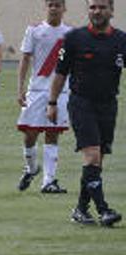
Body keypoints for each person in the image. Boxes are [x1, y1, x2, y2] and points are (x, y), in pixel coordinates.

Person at [48, 0, 124, 226]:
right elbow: (60, 73)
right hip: (82, 103)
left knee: (97, 161)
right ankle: (104, 211)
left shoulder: (121, 40)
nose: (97, 11)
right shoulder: (74, 39)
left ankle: (81, 209)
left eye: (102, 7)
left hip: (108, 105)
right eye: (92, 7)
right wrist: (52, 102)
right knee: (91, 155)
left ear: (111, 11)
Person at [16, 0, 73, 193]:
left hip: (60, 92)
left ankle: (48, 181)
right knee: (29, 135)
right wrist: (20, 88)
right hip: (37, 91)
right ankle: (31, 168)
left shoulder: (71, 34)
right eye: (51, 4)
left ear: (64, 8)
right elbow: (25, 59)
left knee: (53, 134)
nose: (54, 8)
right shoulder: (34, 30)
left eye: (58, 5)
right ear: (45, 7)